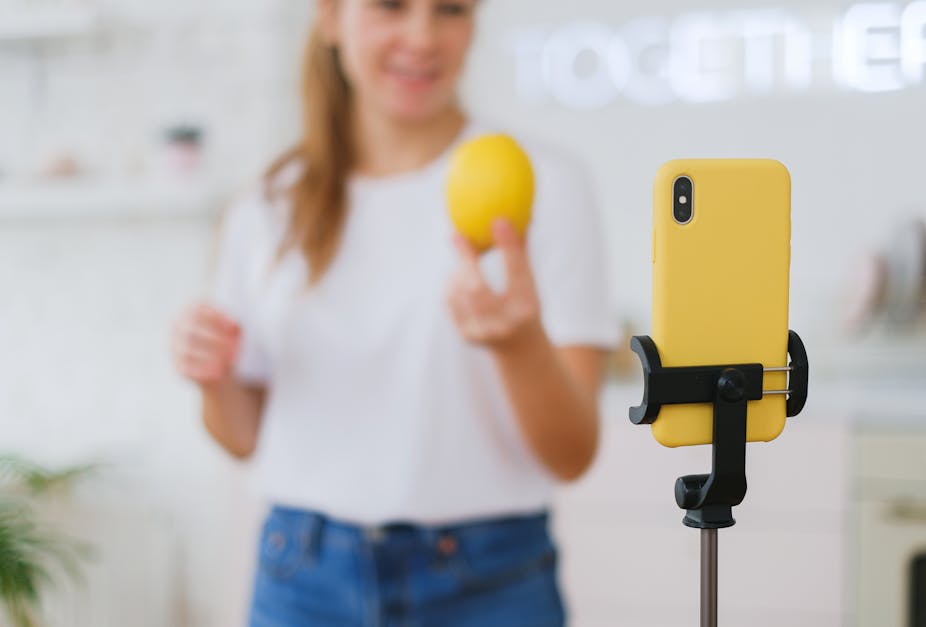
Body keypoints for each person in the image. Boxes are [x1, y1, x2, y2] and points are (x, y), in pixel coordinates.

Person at [171, 0, 620, 624]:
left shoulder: (546, 182)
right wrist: (212, 377)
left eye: (450, 10)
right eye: (391, 6)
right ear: (331, 17)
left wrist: (517, 345)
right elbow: (242, 436)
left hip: (490, 585)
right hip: (302, 580)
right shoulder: (269, 204)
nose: (422, 36)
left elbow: (572, 454)